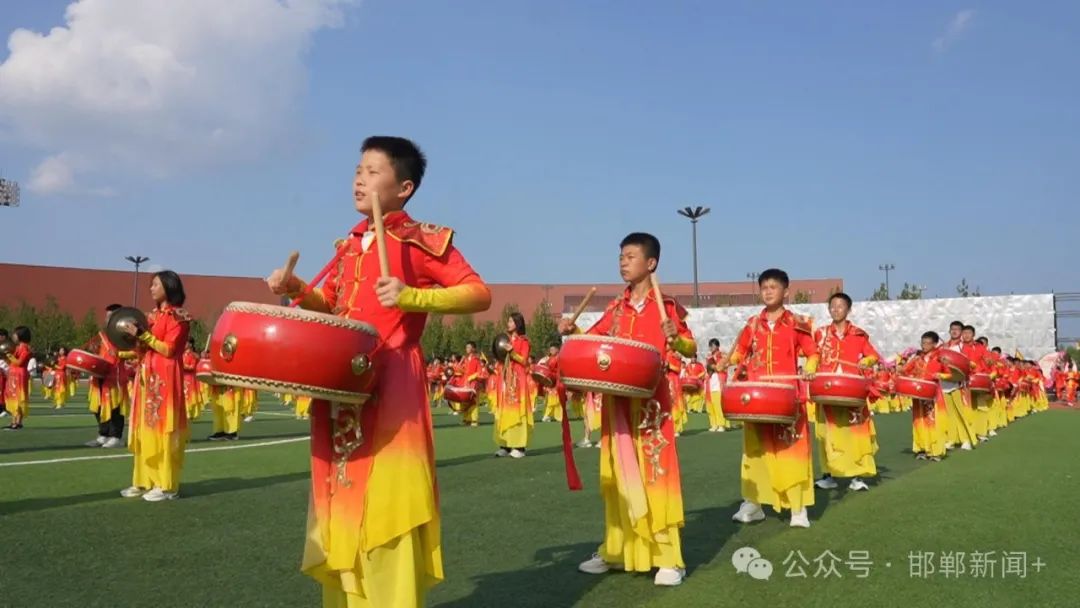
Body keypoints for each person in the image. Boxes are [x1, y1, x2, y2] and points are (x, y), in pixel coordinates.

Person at [267, 136, 492, 607]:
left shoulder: (422, 240)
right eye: (357, 169)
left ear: (404, 187)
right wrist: (296, 289)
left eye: (372, 171)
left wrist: (414, 296)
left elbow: (477, 293)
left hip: (391, 381)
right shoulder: (348, 247)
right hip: (340, 387)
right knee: (341, 498)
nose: (359, 178)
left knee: (387, 506)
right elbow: (330, 306)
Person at [558, 232, 694, 586]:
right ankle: (615, 550)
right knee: (618, 478)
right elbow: (594, 341)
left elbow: (690, 348)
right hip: (618, 407)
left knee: (656, 476)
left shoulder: (667, 307)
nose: (623, 262)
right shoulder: (615, 308)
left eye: (630, 256)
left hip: (652, 407)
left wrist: (675, 336)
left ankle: (668, 558)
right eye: (621, 256)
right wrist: (572, 330)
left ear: (650, 263)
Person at [716, 268, 819, 528]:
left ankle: (797, 507)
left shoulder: (798, 323)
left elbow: (812, 353)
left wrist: (809, 370)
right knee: (755, 451)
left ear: (786, 291)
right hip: (757, 398)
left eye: (774, 286)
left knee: (792, 450)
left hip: (787, 399)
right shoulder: (752, 324)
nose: (768, 291)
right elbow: (740, 352)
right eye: (764, 287)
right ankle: (754, 503)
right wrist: (727, 362)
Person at [119, 271, 192, 502]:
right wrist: (130, 347)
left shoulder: (179, 317)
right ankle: (143, 480)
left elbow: (169, 349)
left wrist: (144, 335)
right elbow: (146, 348)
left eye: (155, 284)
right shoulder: (151, 316)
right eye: (150, 285)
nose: (151, 288)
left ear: (169, 287)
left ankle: (167, 485)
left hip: (166, 378)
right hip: (147, 377)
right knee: (144, 427)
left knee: (164, 429)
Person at [812, 292, 880, 492]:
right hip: (826, 389)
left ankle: (857, 476)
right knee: (826, 433)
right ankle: (828, 474)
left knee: (855, 433)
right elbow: (812, 354)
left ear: (848, 309)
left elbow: (873, 355)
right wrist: (811, 366)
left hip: (852, 390)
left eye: (840, 306)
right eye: (832, 306)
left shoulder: (858, 335)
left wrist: (866, 361)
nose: (835, 309)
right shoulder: (821, 334)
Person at [86, 304, 136, 448]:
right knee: (99, 407)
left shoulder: (124, 335)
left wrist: (120, 354)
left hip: (115, 376)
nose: (107, 319)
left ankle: (116, 437)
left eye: (111, 316)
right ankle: (103, 434)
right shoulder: (102, 335)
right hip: (99, 375)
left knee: (115, 407)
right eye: (107, 316)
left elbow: (136, 352)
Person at [901, 332, 950, 461]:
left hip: (933, 393)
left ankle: (936, 451)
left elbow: (949, 373)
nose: (924, 346)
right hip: (918, 393)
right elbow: (905, 371)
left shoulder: (940, 358)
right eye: (922, 343)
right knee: (919, 420)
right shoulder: (917, 359)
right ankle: (921, 448)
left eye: (927, 343)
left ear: (934, 344)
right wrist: (903, 361)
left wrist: (941, 376)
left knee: (933, 420)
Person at [495, 312, 532, 457]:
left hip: (517, 379)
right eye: (508, 321)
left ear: (517, 324)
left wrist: (513, 352)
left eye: (511, 321)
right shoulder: (504, 339)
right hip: (505, 378)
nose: (508, 323)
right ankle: (505, 445)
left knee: (517, 409)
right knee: (504, 410)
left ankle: (519, 447)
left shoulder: (524, 341)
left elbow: (524, 361)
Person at [3, 326, 32, 430]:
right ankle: (13, 421)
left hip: (19, 375)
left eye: (15, 334)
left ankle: (18, 421)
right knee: (12, 396)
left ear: (21, 335)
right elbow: (12, 362)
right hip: (13, 373)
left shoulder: (25, 347)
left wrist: (9, 355)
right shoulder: (17, 347)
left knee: (18, 397)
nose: (13, 335)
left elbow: (19, 362)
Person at [704, 339, 733, 432]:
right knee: (711, 404)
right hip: (711, 380)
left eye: (713, 345)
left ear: (717, 346)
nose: (711, 348)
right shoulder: (709, 357)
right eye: (710, 346)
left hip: (719, 381)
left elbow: (726, 365)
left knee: (718, 404)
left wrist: (716, 366)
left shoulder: (723, 355)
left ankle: (721, 424)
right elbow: (708, 368)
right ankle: (714, 424)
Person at [458, 341, 484, 427]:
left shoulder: (476, 360)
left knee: (473, 402)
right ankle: (466, 419)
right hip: (466, 383)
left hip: (473, 383)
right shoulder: (465, 359)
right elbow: (462, 371)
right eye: (466, 347)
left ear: (473, 349)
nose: (467, 349)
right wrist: (460, 363)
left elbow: (480, 372)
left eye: (469, 347)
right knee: (465, 401)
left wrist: (471, 377)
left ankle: (474, 419)